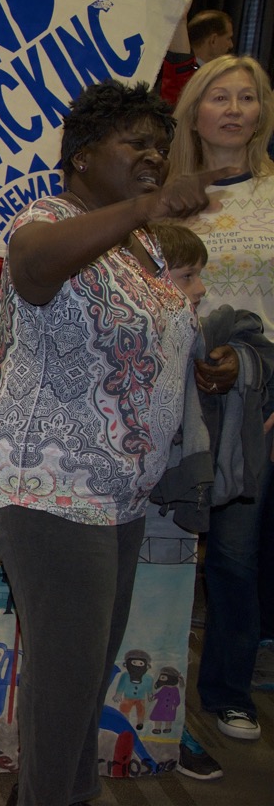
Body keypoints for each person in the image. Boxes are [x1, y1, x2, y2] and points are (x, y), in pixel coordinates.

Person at [0, 80, 225, 806]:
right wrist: (143, 204)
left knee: (82, 678)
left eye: (159, 146)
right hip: (44, 476)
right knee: (67, 685)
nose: (152, 155)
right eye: (133, 142)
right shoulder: (51, 217)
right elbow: (33, 269)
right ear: (80, 157)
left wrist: (205, 359)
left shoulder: (138, 246)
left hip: (115, 488)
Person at [165, 54, 274, 743]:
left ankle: (228, 688)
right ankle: (143, 690)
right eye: (219, 96)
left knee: (235, 550)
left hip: (255, 390)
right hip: (169, 384)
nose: (233, 109)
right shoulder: (167, 194)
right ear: (194, 111)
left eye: (248, 97)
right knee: (160, 543)